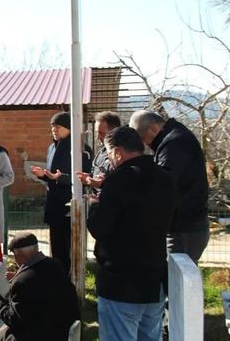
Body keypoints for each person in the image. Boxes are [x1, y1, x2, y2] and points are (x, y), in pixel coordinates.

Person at [87, 126, 177, 341]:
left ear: (117, 152)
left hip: (121, 281)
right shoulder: (166, 178)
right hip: (153, 280)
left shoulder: (118, 180)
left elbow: (99, 228)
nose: (110, 160)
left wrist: (94, 206)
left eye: (109, 155)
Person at [129, 110, 210, 263]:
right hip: (187, 226)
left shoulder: (174, 143)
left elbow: (163, 183)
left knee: (175, 280)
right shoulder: (175, 138)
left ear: (153, 128)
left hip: (184, 228)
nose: (145, 144)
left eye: (143, 138)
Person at [0, 232, 80, 341]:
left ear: (18, 254)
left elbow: (13, 320)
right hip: (65, 331)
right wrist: (18, 276)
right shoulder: (56, 264)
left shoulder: (21, 282)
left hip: (43, 335)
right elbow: (40, 285)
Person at [30, 111, 92, 275]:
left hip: (70, 204)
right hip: (54, 203)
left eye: (58, 127)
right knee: (56, 246)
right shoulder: (52, 147)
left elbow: (85, 177)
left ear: (69, 128)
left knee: (70, 246)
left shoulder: (81, 149)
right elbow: (53, 176)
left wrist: (61, 178)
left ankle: (72, 278)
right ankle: (59, 276)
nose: (54, 130)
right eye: (52, 127)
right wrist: (44, 175)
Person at [76, 111, 121, 192]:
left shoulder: (122, 155)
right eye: (97, 133)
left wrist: (102, 184)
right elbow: (98, 176)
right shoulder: (102, 152)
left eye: (101, 133)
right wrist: (90, 177)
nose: (97, 137)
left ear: (114, 132)